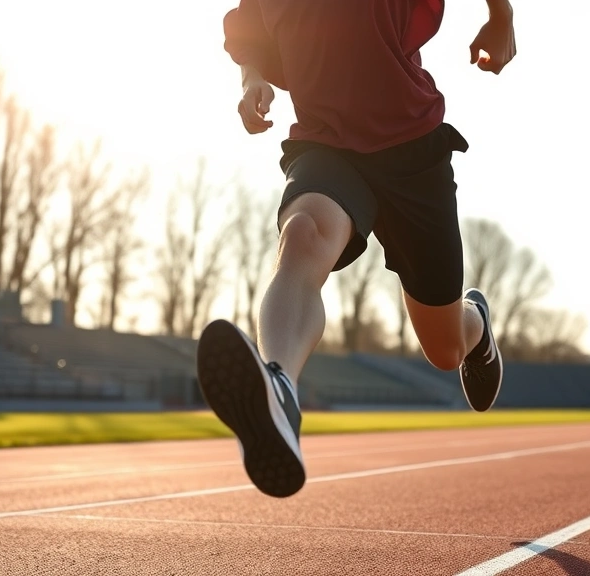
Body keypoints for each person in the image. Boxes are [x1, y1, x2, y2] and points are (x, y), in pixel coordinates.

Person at [196, 0, 516, 499]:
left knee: (445, 349)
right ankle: (281, 390)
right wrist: (250, 80)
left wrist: (502, 18)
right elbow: (248, 36)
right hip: (326, 144)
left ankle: (474, 326)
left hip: (413, 150)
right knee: (302, 234)